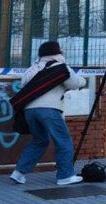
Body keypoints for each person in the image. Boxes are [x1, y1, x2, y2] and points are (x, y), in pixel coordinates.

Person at [10, 42, 87, 186]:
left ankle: (19, 173)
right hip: (49, 109)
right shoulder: (61, 67)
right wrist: (83, 81)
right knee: (63, 140)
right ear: (57, 52)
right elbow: (74, 84)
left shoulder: (32, 68)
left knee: (40, 141)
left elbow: (24, 85)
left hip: (29, 110)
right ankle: (65, 176)